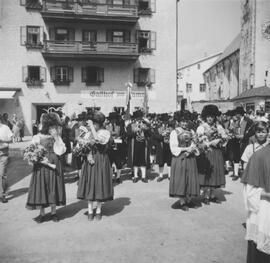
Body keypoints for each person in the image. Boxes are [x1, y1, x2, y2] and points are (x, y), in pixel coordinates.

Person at [26, 112, 67, 223]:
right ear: (46, 126)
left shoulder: (56, 137)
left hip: (54, 162)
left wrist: (56, 137)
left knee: (53, 186)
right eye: (51, 127)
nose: (53, 129)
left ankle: (53, 212)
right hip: (41, 164)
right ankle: (42, 213)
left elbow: (61, 150)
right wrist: (38, 159)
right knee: (42, 186)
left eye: (55, 127)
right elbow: (32, 152)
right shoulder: (37, 137)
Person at [241, 121, 270, 263]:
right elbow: (250, 189)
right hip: (263, 203)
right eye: (258, 132)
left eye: (264, 131)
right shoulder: (254, 152)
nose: (261, 134)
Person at [77, 111, 113, 221]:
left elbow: (98, 139)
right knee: (90, 184)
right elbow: (82, 143)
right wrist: (80, 140)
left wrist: (92, 128)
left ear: (99, 124)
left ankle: (98, 210)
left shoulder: (104, 132)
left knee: (99, 183)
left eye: (94, 124)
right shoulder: (89, 132)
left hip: (100, 159)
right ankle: (90, 210)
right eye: (92, 124)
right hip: (89, 159)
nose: (92, 126)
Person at [169, 110, 200, 211]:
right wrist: (185, 149)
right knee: (181, 179)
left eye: (186, 121)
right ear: (178, 121)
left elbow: (195, 142)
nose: (185, 123)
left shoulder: (191, 131)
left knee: (190, 178)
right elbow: (173, 148)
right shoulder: (175, 132)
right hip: (180, 158)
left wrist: (192, 149)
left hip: (190, 157)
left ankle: (189, 199)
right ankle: (182, 201)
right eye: (182, 121)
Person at [196, 105, 227, 204]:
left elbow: (225, 138)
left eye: (212, 116)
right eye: (208, 116)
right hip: (206, 153)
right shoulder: (201, 127)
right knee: (207, 174)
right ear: (205, 117)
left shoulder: (219, 127)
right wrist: (209, 143)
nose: (210, 118)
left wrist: (220, 140)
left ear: (215, 117)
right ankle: (205, 195)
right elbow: (198, 141)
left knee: (215, 173)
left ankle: (212, 195)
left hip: (216, 153)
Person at [126, 110, 151, 183]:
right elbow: (127, 135)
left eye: (140, 118)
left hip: (143, 145)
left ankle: (143, 177)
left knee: (143, 160)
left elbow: (150, 134)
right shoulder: (130, 125)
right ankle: (135, 176)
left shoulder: (145, 124)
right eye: (138, 118)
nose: (139, 119)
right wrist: (134, 131)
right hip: (134, 144)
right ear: (135, 118)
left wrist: (145, 130)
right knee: (135, 160)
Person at [0, 114, 13, 203]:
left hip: (3, 153)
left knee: (2, 174)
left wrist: (2, 140)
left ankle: (2, 195)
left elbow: (11, 139)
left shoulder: (5, 128)